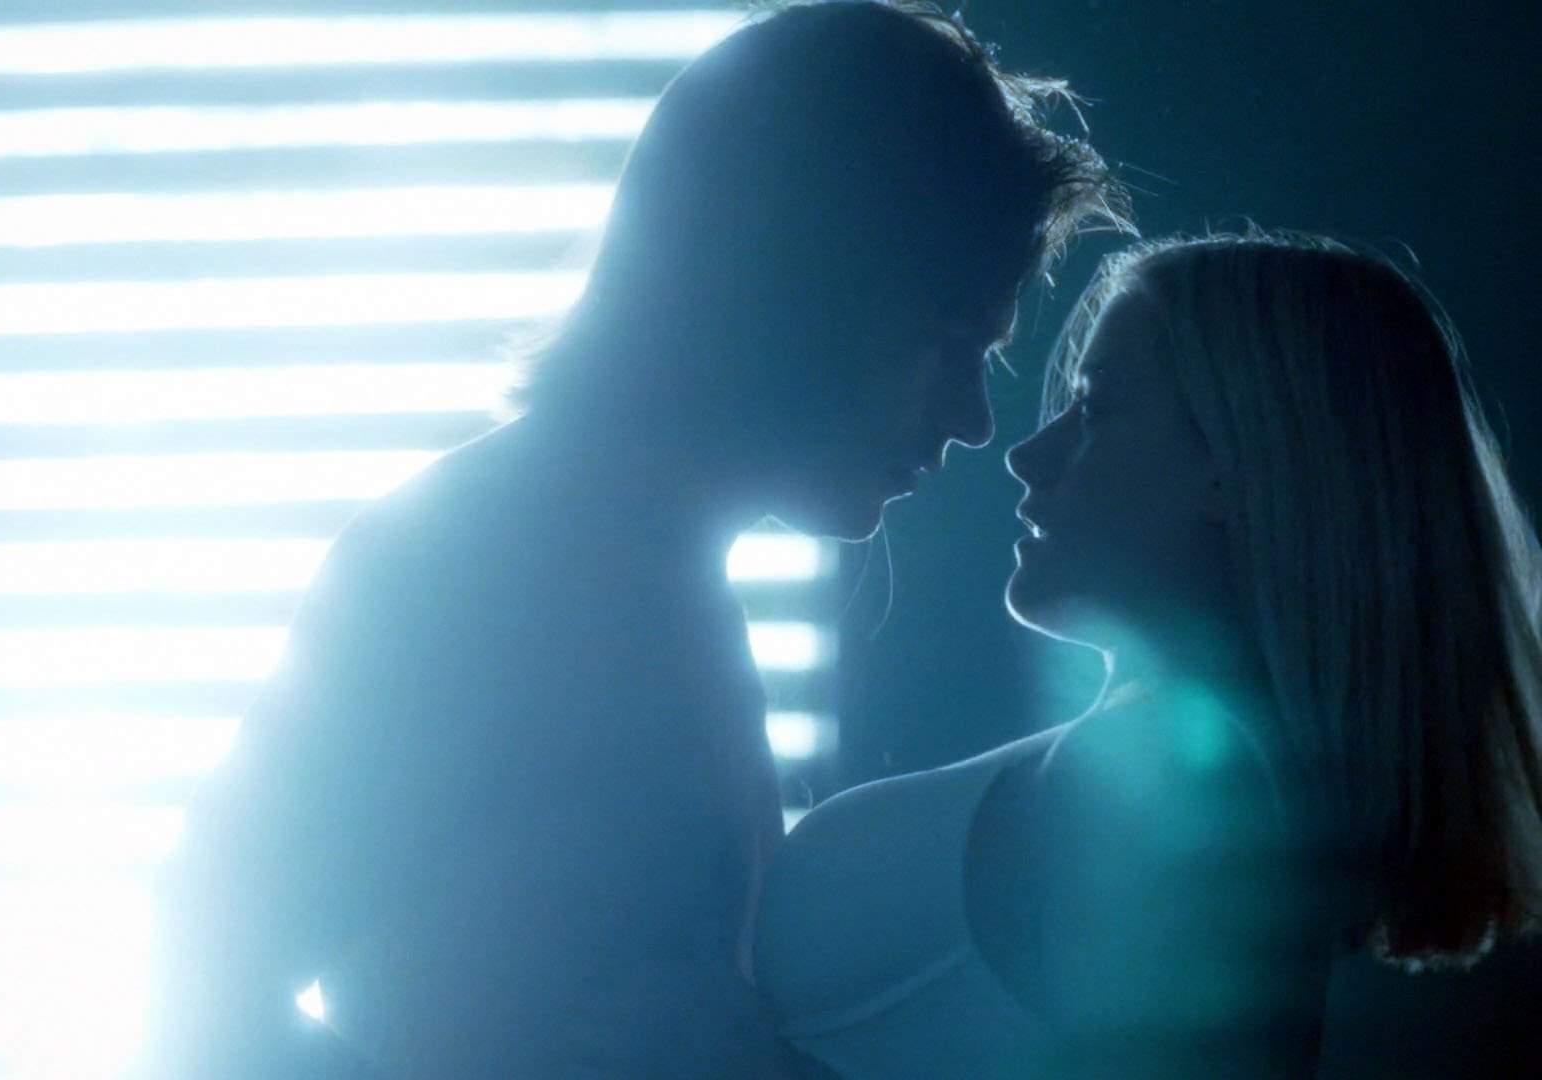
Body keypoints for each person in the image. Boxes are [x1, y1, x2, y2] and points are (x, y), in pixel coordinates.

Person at [140, 2, 1124, 1076]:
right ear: (808, 292)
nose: (974, 419)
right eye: (949, 344)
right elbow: (203, 973)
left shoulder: (652, 577)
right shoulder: (481, 564)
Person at [753, 232, 1542, 1078]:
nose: (1027, 456)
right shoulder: (1196, 789)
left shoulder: (1174, 798)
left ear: (1235, 460)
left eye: (1096, 407)